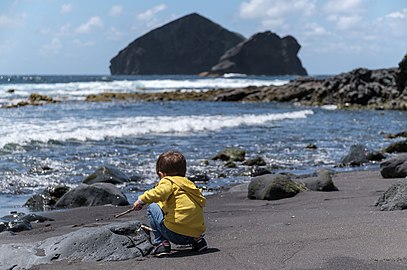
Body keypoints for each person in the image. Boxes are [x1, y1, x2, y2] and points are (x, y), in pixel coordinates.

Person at [133, 150, 207, 256]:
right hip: (195, 233)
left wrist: (141, 200)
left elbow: (159, 192)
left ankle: (161, 243)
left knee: (153, 207)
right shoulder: (188, 184)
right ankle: (198, 241)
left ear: (161, 174)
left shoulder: (168, 181)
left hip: (176, 234)